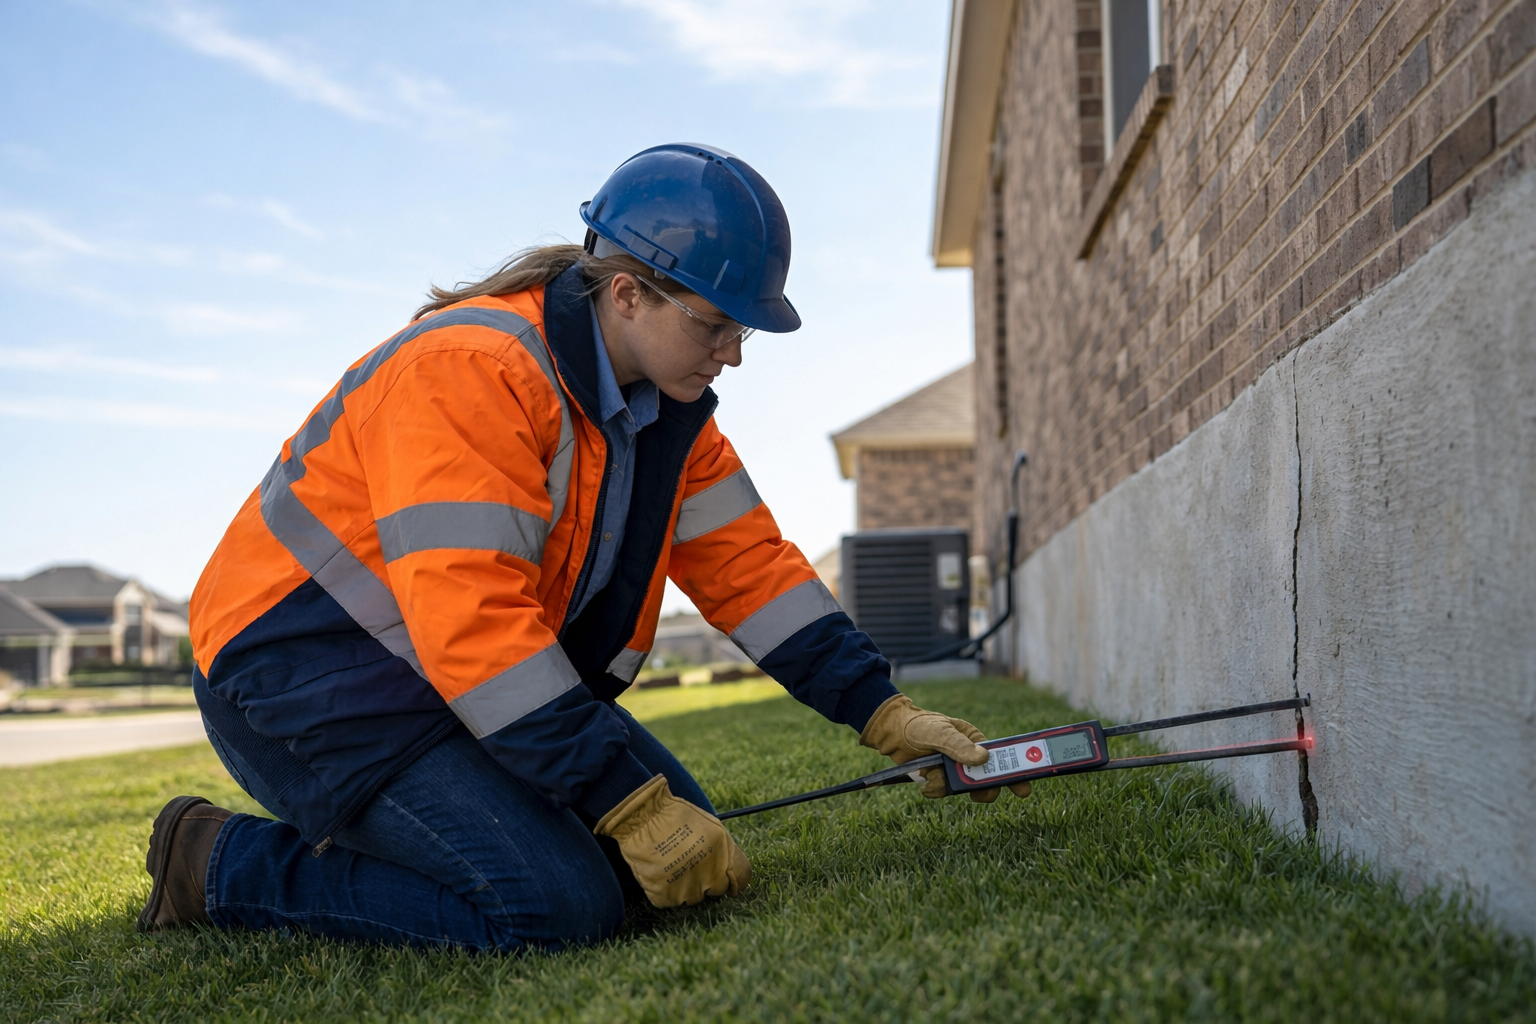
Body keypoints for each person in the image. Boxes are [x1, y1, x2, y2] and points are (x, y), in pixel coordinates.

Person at [138, 143, 1030, 952]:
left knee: (678, 861)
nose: (733, 356)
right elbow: (472, 620)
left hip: (446, 680)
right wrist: (622, 800)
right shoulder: (469, 371)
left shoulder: (670, 414)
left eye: (742, 331)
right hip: (305, 683)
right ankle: (216, 863)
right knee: (562, 906)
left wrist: (881, 710)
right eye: (714, 325)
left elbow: (752, 571)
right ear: (628, 292)